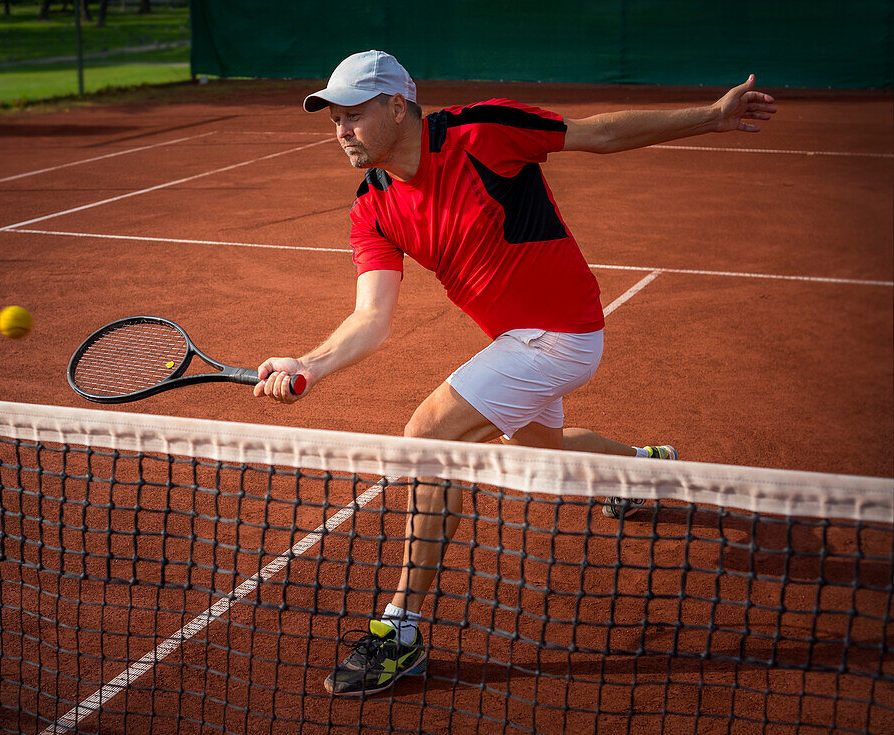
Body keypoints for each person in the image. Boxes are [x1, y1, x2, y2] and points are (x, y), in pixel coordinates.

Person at [253, 50, 777, 696]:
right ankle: (643, 467)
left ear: (396, 106)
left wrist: (711, 117)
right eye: (333, 119)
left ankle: (401, 631)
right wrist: (309, 362)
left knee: (427, 437)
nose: (340, 131)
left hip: (563, 333)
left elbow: (599, 134)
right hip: (516, 341)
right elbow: (371, 317)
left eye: (353, 115)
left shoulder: (482, 132)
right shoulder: (373, 207)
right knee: (545, 457)